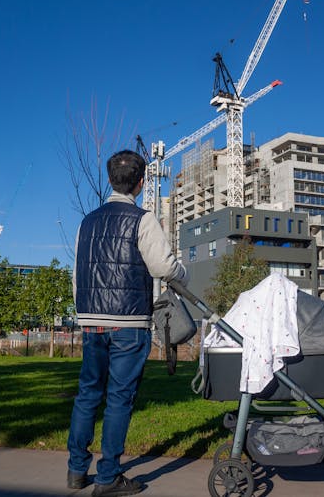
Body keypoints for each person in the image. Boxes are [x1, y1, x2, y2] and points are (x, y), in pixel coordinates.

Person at [67, 150, 188, 497]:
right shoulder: (142, 219)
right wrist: (184, 274)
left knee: (88, 393)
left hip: (91, 320)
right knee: (119, 397)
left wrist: (83, 311)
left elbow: (78, 270)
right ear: (141, 181)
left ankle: (76, 471)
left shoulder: (86, 222)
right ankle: (108, 477)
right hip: (129, 320)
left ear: (109, 179)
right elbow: (164, 267)